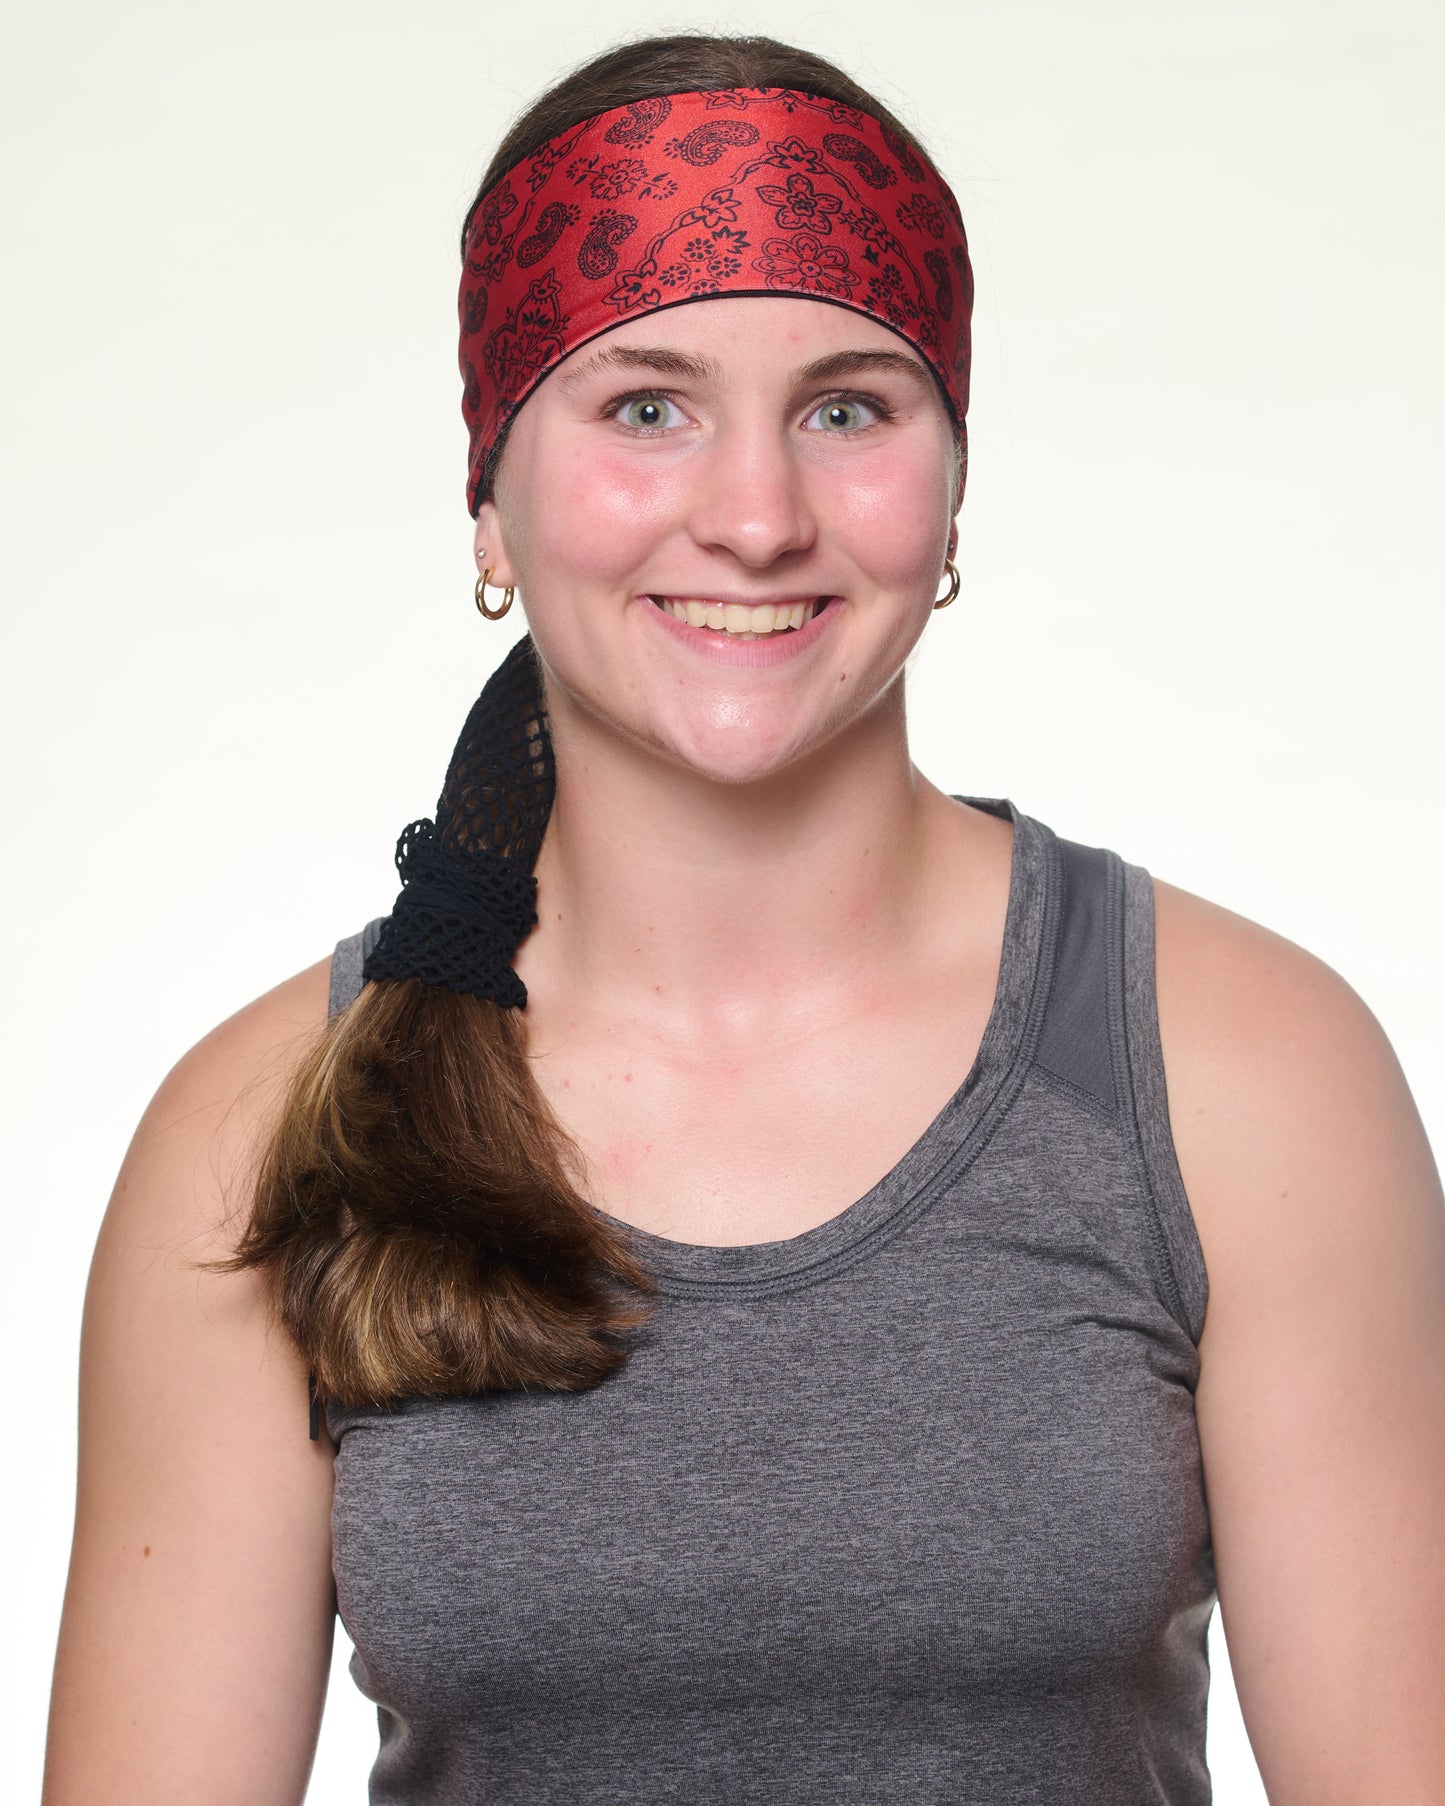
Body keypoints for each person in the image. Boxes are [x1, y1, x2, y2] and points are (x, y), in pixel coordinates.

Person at [41, 29, 1445, 1806]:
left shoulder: (1242, 1074)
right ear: (491, 490)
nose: (759, 515)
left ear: (948, 482)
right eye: (646, 405)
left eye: (847, 406)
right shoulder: (260, 1138)